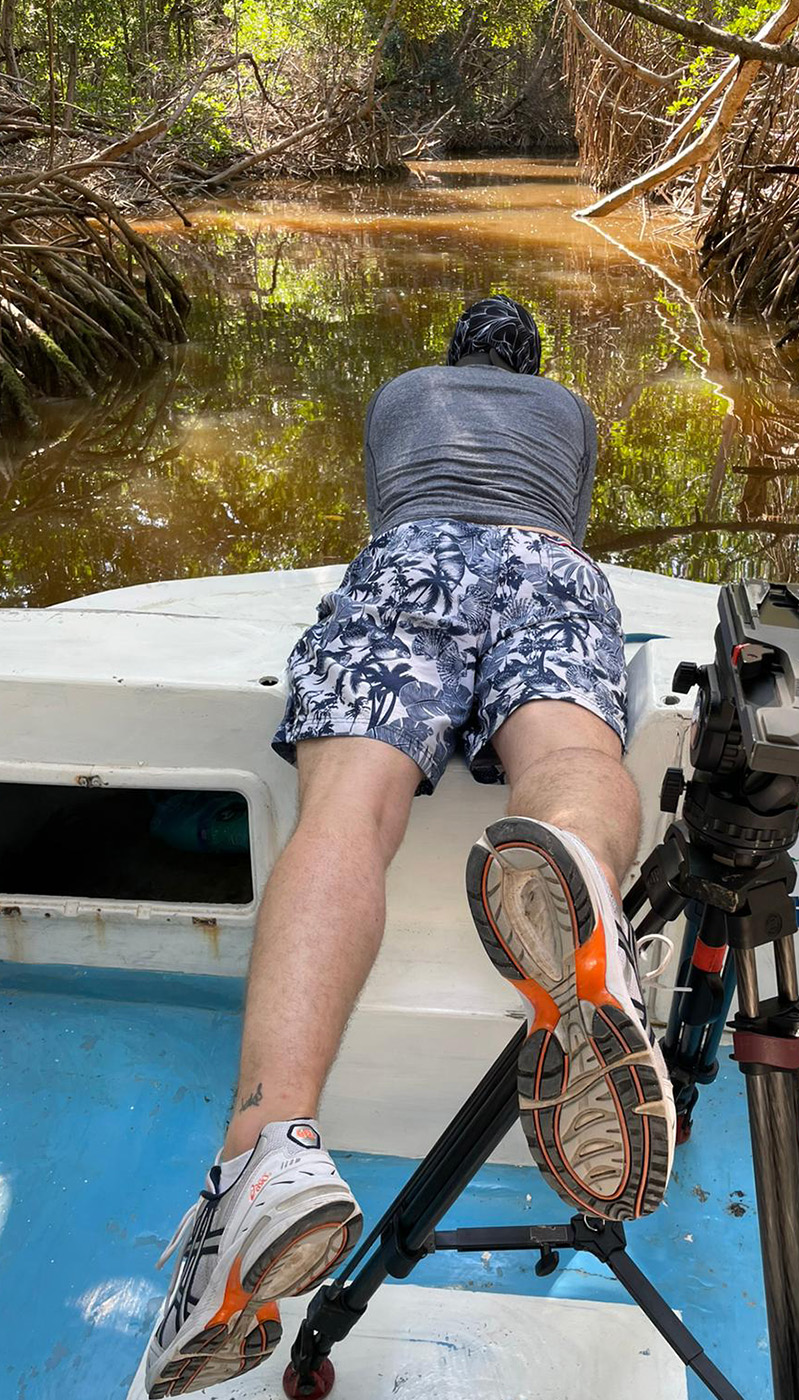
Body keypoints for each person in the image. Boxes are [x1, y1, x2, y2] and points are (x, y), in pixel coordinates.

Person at [145, 295, 676, 1397]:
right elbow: (564, 513)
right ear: (533, 364)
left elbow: (388, 496)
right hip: (549, 564)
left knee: (349, 805)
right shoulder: (569, 411)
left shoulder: (403, 397)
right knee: (567, 745)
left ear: (453, 358)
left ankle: (266, 1156)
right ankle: (578, 868)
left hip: (412, 556)